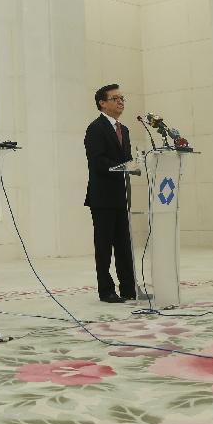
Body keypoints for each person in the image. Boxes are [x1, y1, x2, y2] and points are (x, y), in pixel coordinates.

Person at [84, 84, 136, 303]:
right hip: (102, 197)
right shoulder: (95, 128)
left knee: (124, 245)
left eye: (122, 98)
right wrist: (122, 167)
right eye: (115, 98)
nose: (120, 102)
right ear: (102, 103)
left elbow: (127, 159)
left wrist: (133, 165)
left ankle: (128, 289)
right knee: (104, 247)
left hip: (120, 196)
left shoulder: (124, 130)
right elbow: (96, 161)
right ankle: (106, 290)